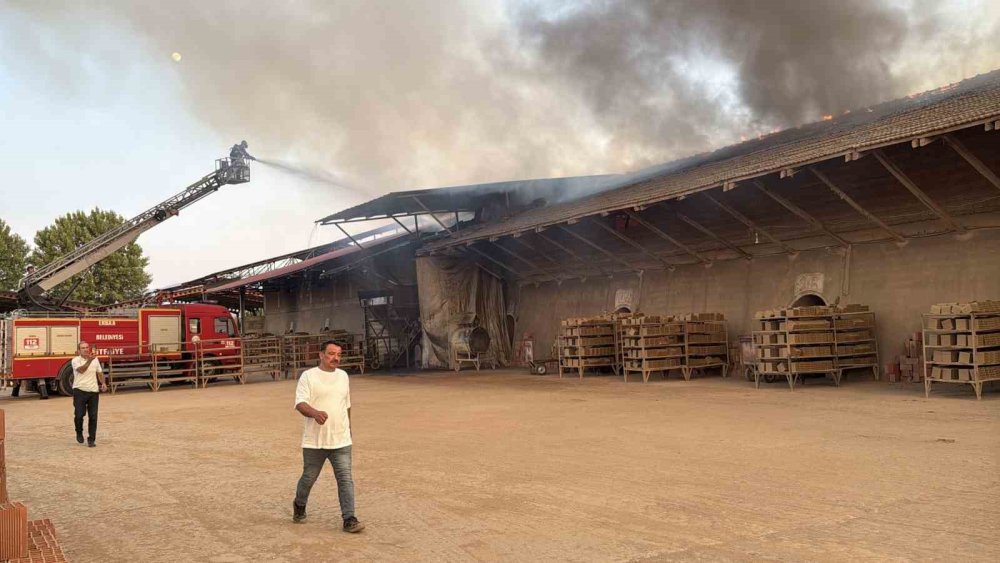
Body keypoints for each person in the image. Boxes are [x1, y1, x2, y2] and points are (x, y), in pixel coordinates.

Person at [292, 341, 364, 533]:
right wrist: (315, 413)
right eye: (331, 354)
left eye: (339, 354)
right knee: (309, 478)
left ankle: (349, 518)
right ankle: (299, 505)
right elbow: (300, 403)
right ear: (321, 355)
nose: (336, 358)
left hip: (340, 439)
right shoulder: (308, 376)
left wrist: (349, 427)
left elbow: (346, 404)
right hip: (315, 441)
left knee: (345, 478)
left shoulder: (343, 376)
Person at [71, 341, 107, 447]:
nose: (86, 349)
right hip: (79, 390)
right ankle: (79, 432)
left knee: (93, 416)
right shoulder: (75, 361)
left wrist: (103, 383)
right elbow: (81, 370)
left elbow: (99, 372)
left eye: (87, 347)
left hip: (93, 391)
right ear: (79, 351)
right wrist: (90, 361)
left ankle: (91, 439)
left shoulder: (95, 360)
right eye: (83, 348)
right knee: (79, 415)